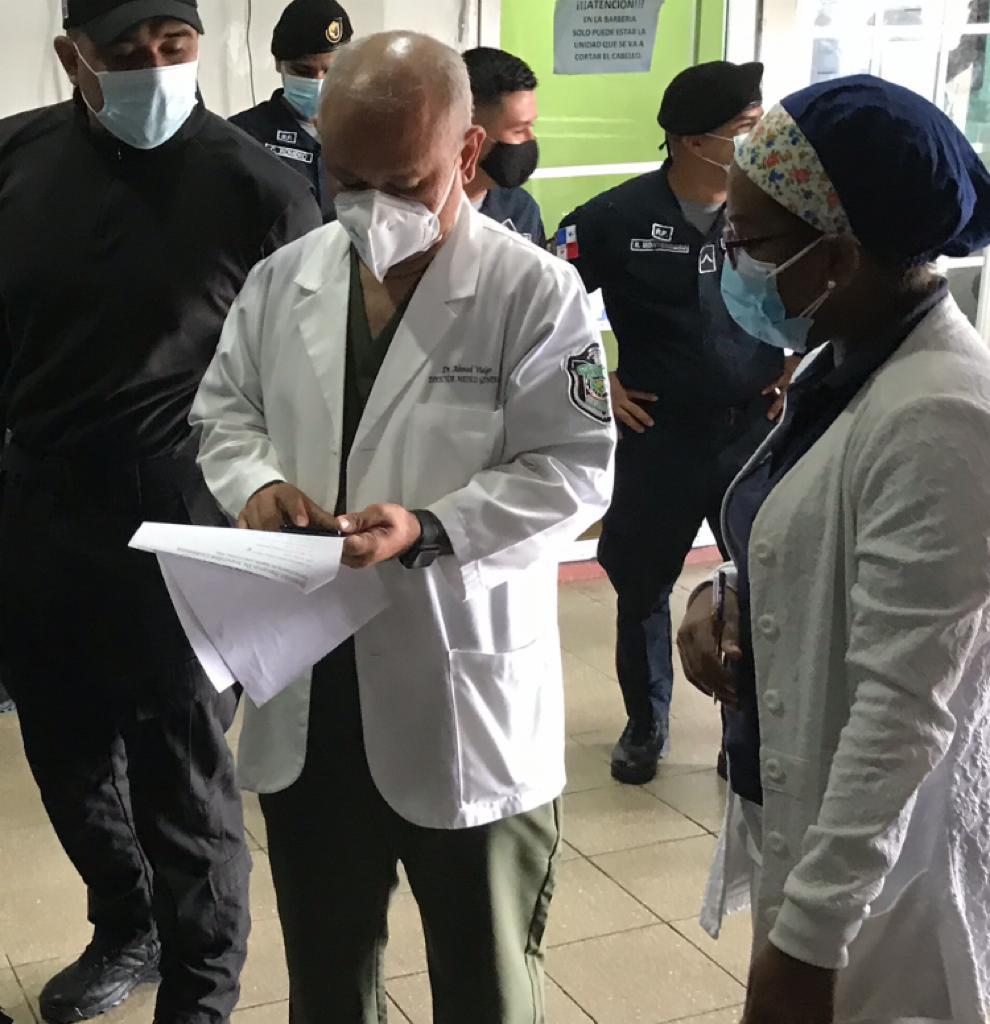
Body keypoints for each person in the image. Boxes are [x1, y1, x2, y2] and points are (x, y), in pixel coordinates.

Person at [191, 30, 615, 1024]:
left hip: (460, 688)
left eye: (406, 182)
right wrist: (257, 483)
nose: (373, 206)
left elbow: (578, 470)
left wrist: (431, 526)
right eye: (349, 178)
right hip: (311, 690)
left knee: (486, 981)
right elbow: (225, 414)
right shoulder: (284, 279)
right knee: (327, 979)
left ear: (469, 153)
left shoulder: (534, 292)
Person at [0, 1, 321, 1022]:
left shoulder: (260, 190)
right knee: (63, 753)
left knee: (180, 780)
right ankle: (125, 924)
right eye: (124, 51)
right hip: (34, 498)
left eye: (172, 45)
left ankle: (201, 992)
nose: (153, 67)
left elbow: (306, 381)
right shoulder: (15, 159)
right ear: (73, 58)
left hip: (179, 507)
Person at [678, 75, 990, 1024]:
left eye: (751, 241)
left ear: (839, 256)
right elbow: (819, 538)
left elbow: (904, 705)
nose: (731, 260)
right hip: (813, 820)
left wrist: (808, 944)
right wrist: (722, 597)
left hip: (890, 880)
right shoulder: (849, 357)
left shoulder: (941, 412)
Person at [557, 61, 793, 785]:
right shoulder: (613, 218)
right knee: (641, 585)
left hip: (751, 432)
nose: (761, 139)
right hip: (658, 435)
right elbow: (541, 308)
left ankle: (741, 732)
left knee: (758, 584)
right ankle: (645, 723)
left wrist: (799, 361)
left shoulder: (777, 207)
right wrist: (596, 381)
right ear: (694, 141)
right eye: (747, 128)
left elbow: (828, 284)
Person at [230, 0, 353, 222]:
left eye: (331, 70)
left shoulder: (363, 134)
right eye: (303, 71)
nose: (318, 82)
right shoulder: (243, 137)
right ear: (279, 63)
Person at [462, 46, 546, 246]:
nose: (530, 138)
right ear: (471, 136)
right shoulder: (414, 215)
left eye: (531, 126)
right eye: (518, 130)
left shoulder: (521, 211)